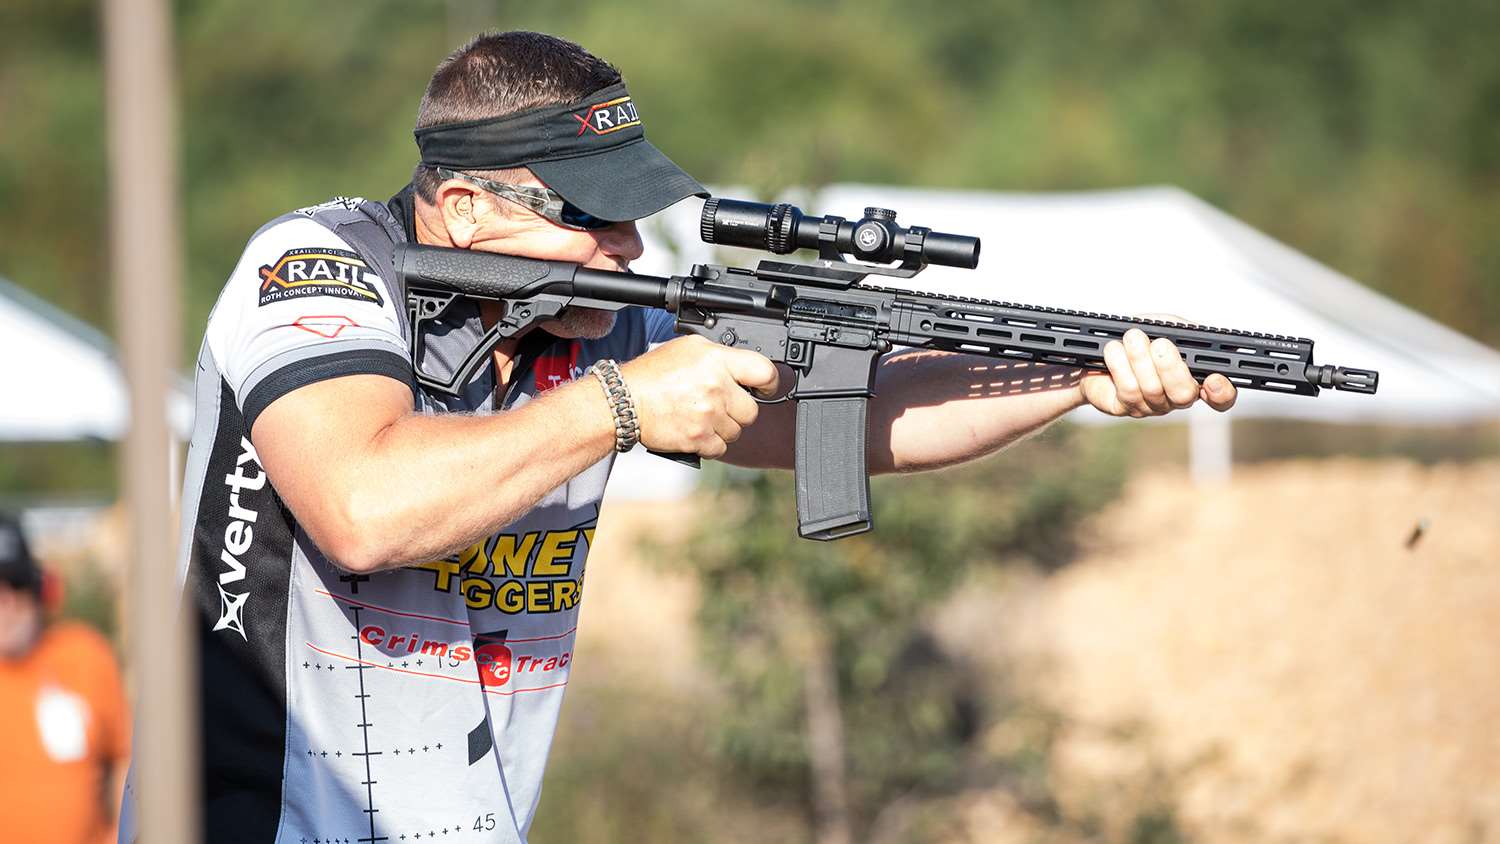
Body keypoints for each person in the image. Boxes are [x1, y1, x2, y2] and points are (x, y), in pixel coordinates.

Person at [124, 31, 1236, 843]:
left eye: (628, 209)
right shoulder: (315, 273)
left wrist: (1076, 375)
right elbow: (363, 508)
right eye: (586, 216)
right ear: (461, 211)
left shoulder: (602, 322)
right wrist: (621, 405)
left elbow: (867, 416)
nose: (622, 244)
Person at [0, 514, 131, 844]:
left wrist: (120, 833)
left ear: (38, 587)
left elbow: (125, 755)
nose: (7, 603)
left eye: (16, 584)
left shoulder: (85, 654)